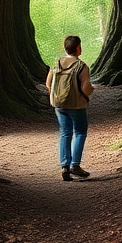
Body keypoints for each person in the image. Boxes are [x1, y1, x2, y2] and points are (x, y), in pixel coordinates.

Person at [46, 34, 94, 181]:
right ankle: (75, 165)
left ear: (65, 48)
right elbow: (86, 87)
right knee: (80, 132)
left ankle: (64, 166)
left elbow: (48, 84)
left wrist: (58, 96)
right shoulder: (81, 66)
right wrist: (89, 92)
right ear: (78, 48)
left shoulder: (57, 63)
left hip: (59, 105)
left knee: (65, 133)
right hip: (76, 105)